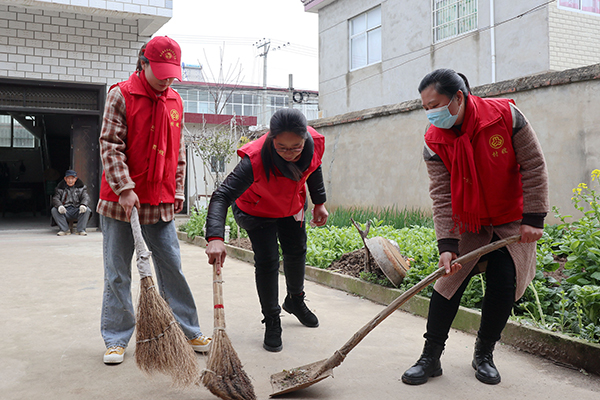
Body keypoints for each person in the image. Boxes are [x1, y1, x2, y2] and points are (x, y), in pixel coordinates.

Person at [401, 68, 549, 385]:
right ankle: (430, 357)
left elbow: (534, 165)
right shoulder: (434, 141)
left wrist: (534, 218)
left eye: (435, 104)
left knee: (503, 283)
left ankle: (484, 354)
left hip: (511, 219)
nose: (431, 113)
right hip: (469, 221)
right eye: (425, 107)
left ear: (458, 97)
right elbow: (441, 196)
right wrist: (447, 246)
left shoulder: (505, 116)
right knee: (447, 284)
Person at [97, 36, 210, 365]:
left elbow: (179, 151)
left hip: (160, 202)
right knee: (118, 272)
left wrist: (176, 190)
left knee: (171, 266)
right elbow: (110, 145)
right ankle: (116, 337)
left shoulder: (175, 100)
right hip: (122, 203)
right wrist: (124, 187)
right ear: (143, 63)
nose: (167, 79)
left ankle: (188, 329)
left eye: (171, 73)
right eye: (160, 72)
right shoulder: (121, 95)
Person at [204, 108, 329, 352]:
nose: (290, 153)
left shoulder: (315, 143)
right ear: (272, 139)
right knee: (268, 260)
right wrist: (215, 237)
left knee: (296, 251)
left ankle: (295, 300)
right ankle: (272, 319)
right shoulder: (255, 160)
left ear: (305, 138)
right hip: (256, 210)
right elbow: (221, 196)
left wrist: (320, 202)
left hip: (291, 205)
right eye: (282, 147)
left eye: (296, 147)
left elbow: (314, 168)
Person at [51, 169, 91, 236]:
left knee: (87, 210)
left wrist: (83, 204)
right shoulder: (60, 188)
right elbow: (55, 198)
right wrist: (60, 206)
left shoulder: (81, 187)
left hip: (76, 209)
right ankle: (64, 230)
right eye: (68, 178)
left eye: (72, 178)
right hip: (65, 210)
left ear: (76, 179)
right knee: (54, 210)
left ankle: (81, 230)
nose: (70, 181)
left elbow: (86, 197)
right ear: (65, 179)